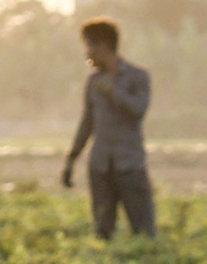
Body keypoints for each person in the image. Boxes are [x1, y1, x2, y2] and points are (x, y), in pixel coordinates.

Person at [61, 18, 155, 239]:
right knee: (103, 231)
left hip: (129, 165)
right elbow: (87, 123)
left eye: (90, 47)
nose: (87, 54)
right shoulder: (93, 82)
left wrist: (113, 91)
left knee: (144, 232)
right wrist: (71, 158)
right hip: (100, 166)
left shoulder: (137, 77)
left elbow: (138, 110)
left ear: (103, 46)